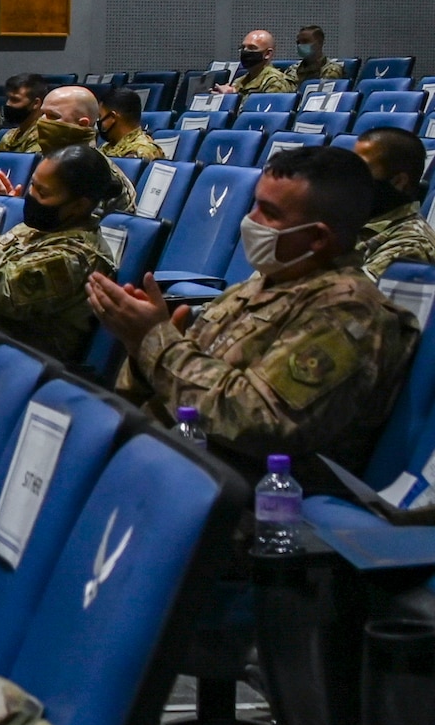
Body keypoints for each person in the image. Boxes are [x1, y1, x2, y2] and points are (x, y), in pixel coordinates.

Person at [89, 145, 417, 485]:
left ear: (318, 237)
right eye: (254, 204)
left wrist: (154, 341)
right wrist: (138, 344)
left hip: (240, 498)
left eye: (268, 212)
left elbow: (260, 421)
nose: (251, 220)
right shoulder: (261, 283)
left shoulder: (351, 311)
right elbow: (170, 380)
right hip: (165, 456)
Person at [0, 145, 117, 363]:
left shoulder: (79, 256)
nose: (31, 195)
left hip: (8, 370)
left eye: (43, 192)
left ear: (79, 205)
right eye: (33, 185)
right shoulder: (32, 230)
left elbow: (0, 291)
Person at [352, 125, 435, 277]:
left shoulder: (411, 245)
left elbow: (352, 295)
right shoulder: (356, 220)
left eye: (361, 169)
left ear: (399, 182)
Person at [214, 30, 297, 96]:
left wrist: (231, 97)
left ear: (267, 54)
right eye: (243, 48)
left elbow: (265, 113)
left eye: (252, 48)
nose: (245, 51)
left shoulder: (275, 82)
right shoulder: (240, 81)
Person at [99, 88, 164, 160]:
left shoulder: (143, 151)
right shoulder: (106, 147)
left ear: (113, 117)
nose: (99, 122)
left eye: (100, 116)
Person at [0, 74, 50, 154]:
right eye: (8, 99)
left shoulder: (43, 136)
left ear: (36, 103)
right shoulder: (11, 135)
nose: (8, 104)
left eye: (15, 100)